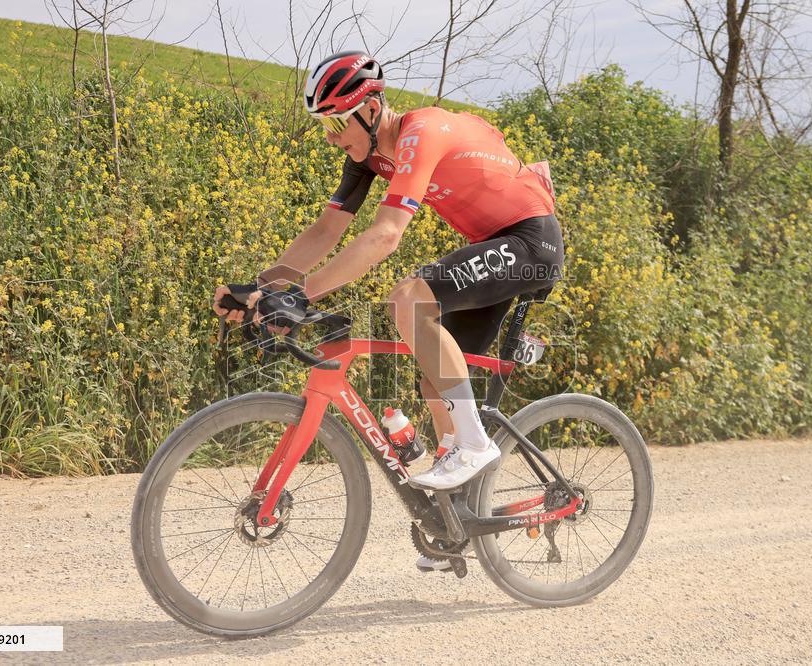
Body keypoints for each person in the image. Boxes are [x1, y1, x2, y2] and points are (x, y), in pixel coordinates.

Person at [213, 51, 565, 571]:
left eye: (337, 122)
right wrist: (261, 289)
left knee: (409, 298)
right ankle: (456, 525)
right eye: (325, 126)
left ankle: (473, 444)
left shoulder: (421, 131)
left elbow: (385, 235)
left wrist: (304, 295)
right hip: (492, 246)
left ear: (372, 108)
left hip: (530, 243)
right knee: (436, 376)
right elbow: (326, 232)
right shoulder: (367, 156)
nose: (332, 137)